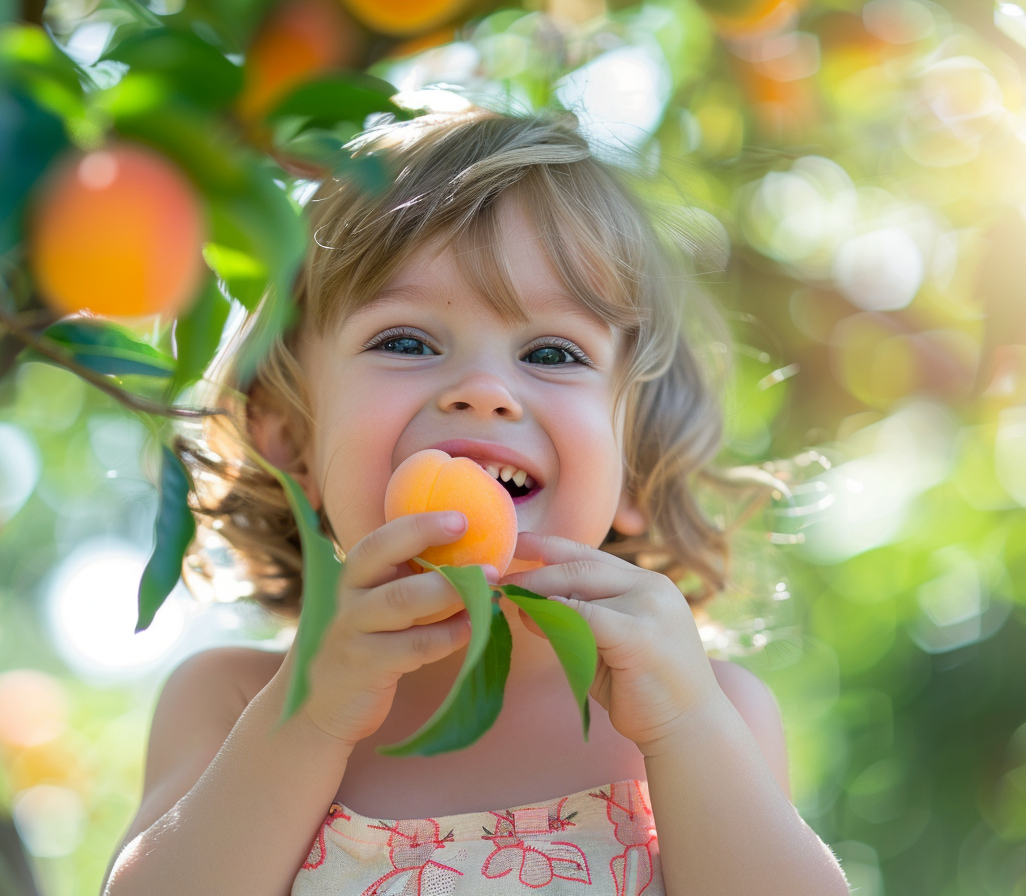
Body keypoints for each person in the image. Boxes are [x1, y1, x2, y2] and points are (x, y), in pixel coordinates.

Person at [102, 109, 850, 895]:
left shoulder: (705, 710)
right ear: (291, 436)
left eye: (553, 353)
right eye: (406, 341)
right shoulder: (233, 700)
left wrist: (687, 727)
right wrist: (308, 717)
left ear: (633, 468)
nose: (485, 393)